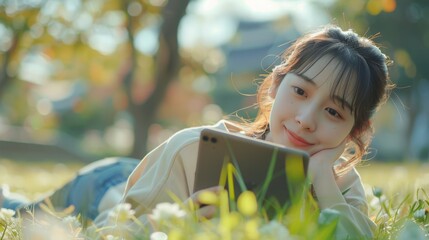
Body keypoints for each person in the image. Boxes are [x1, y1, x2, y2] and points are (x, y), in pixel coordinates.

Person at [1, 24, 393, 238]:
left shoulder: (338, 182)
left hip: (137, 174)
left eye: (332, 111)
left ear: (354, 130)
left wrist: (322, 183)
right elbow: (113, 232)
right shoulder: (194, 147)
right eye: (300, 91)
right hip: (106, 187)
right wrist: (178, 222)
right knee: (26, 212)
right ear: (276, 86)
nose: (307, 118)